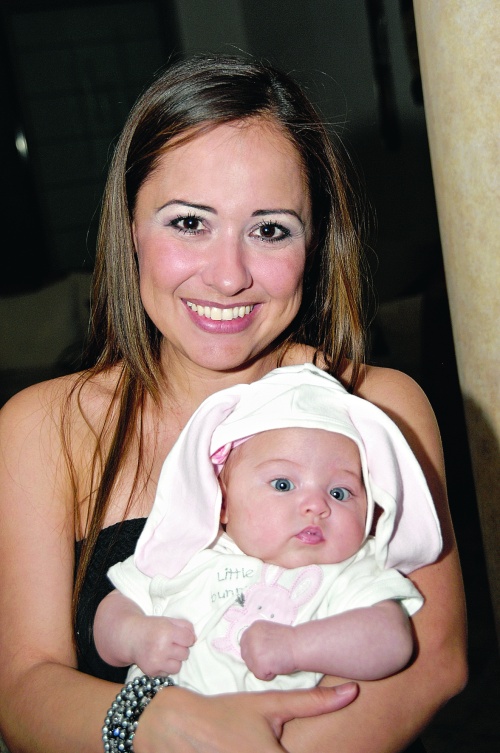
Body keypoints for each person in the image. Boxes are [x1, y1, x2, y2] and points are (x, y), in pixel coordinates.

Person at [0, 54, 467, 753]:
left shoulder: (378, 408)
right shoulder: (42, 428)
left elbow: (434, 662)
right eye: (190, 222)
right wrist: (164, 725)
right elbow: (23, 689)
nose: (228, 276)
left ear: (314, 242)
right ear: (131, 226)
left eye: (270, 229)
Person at [94, 363, 441, 694]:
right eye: (283, 484)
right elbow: (112, 612)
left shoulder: (352, 570)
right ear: (222, 501)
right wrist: (136, 636)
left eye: (339, 492)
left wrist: (297, 648)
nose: (316, 505)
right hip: (158, 720)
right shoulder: (188, 551)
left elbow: (391, 640)